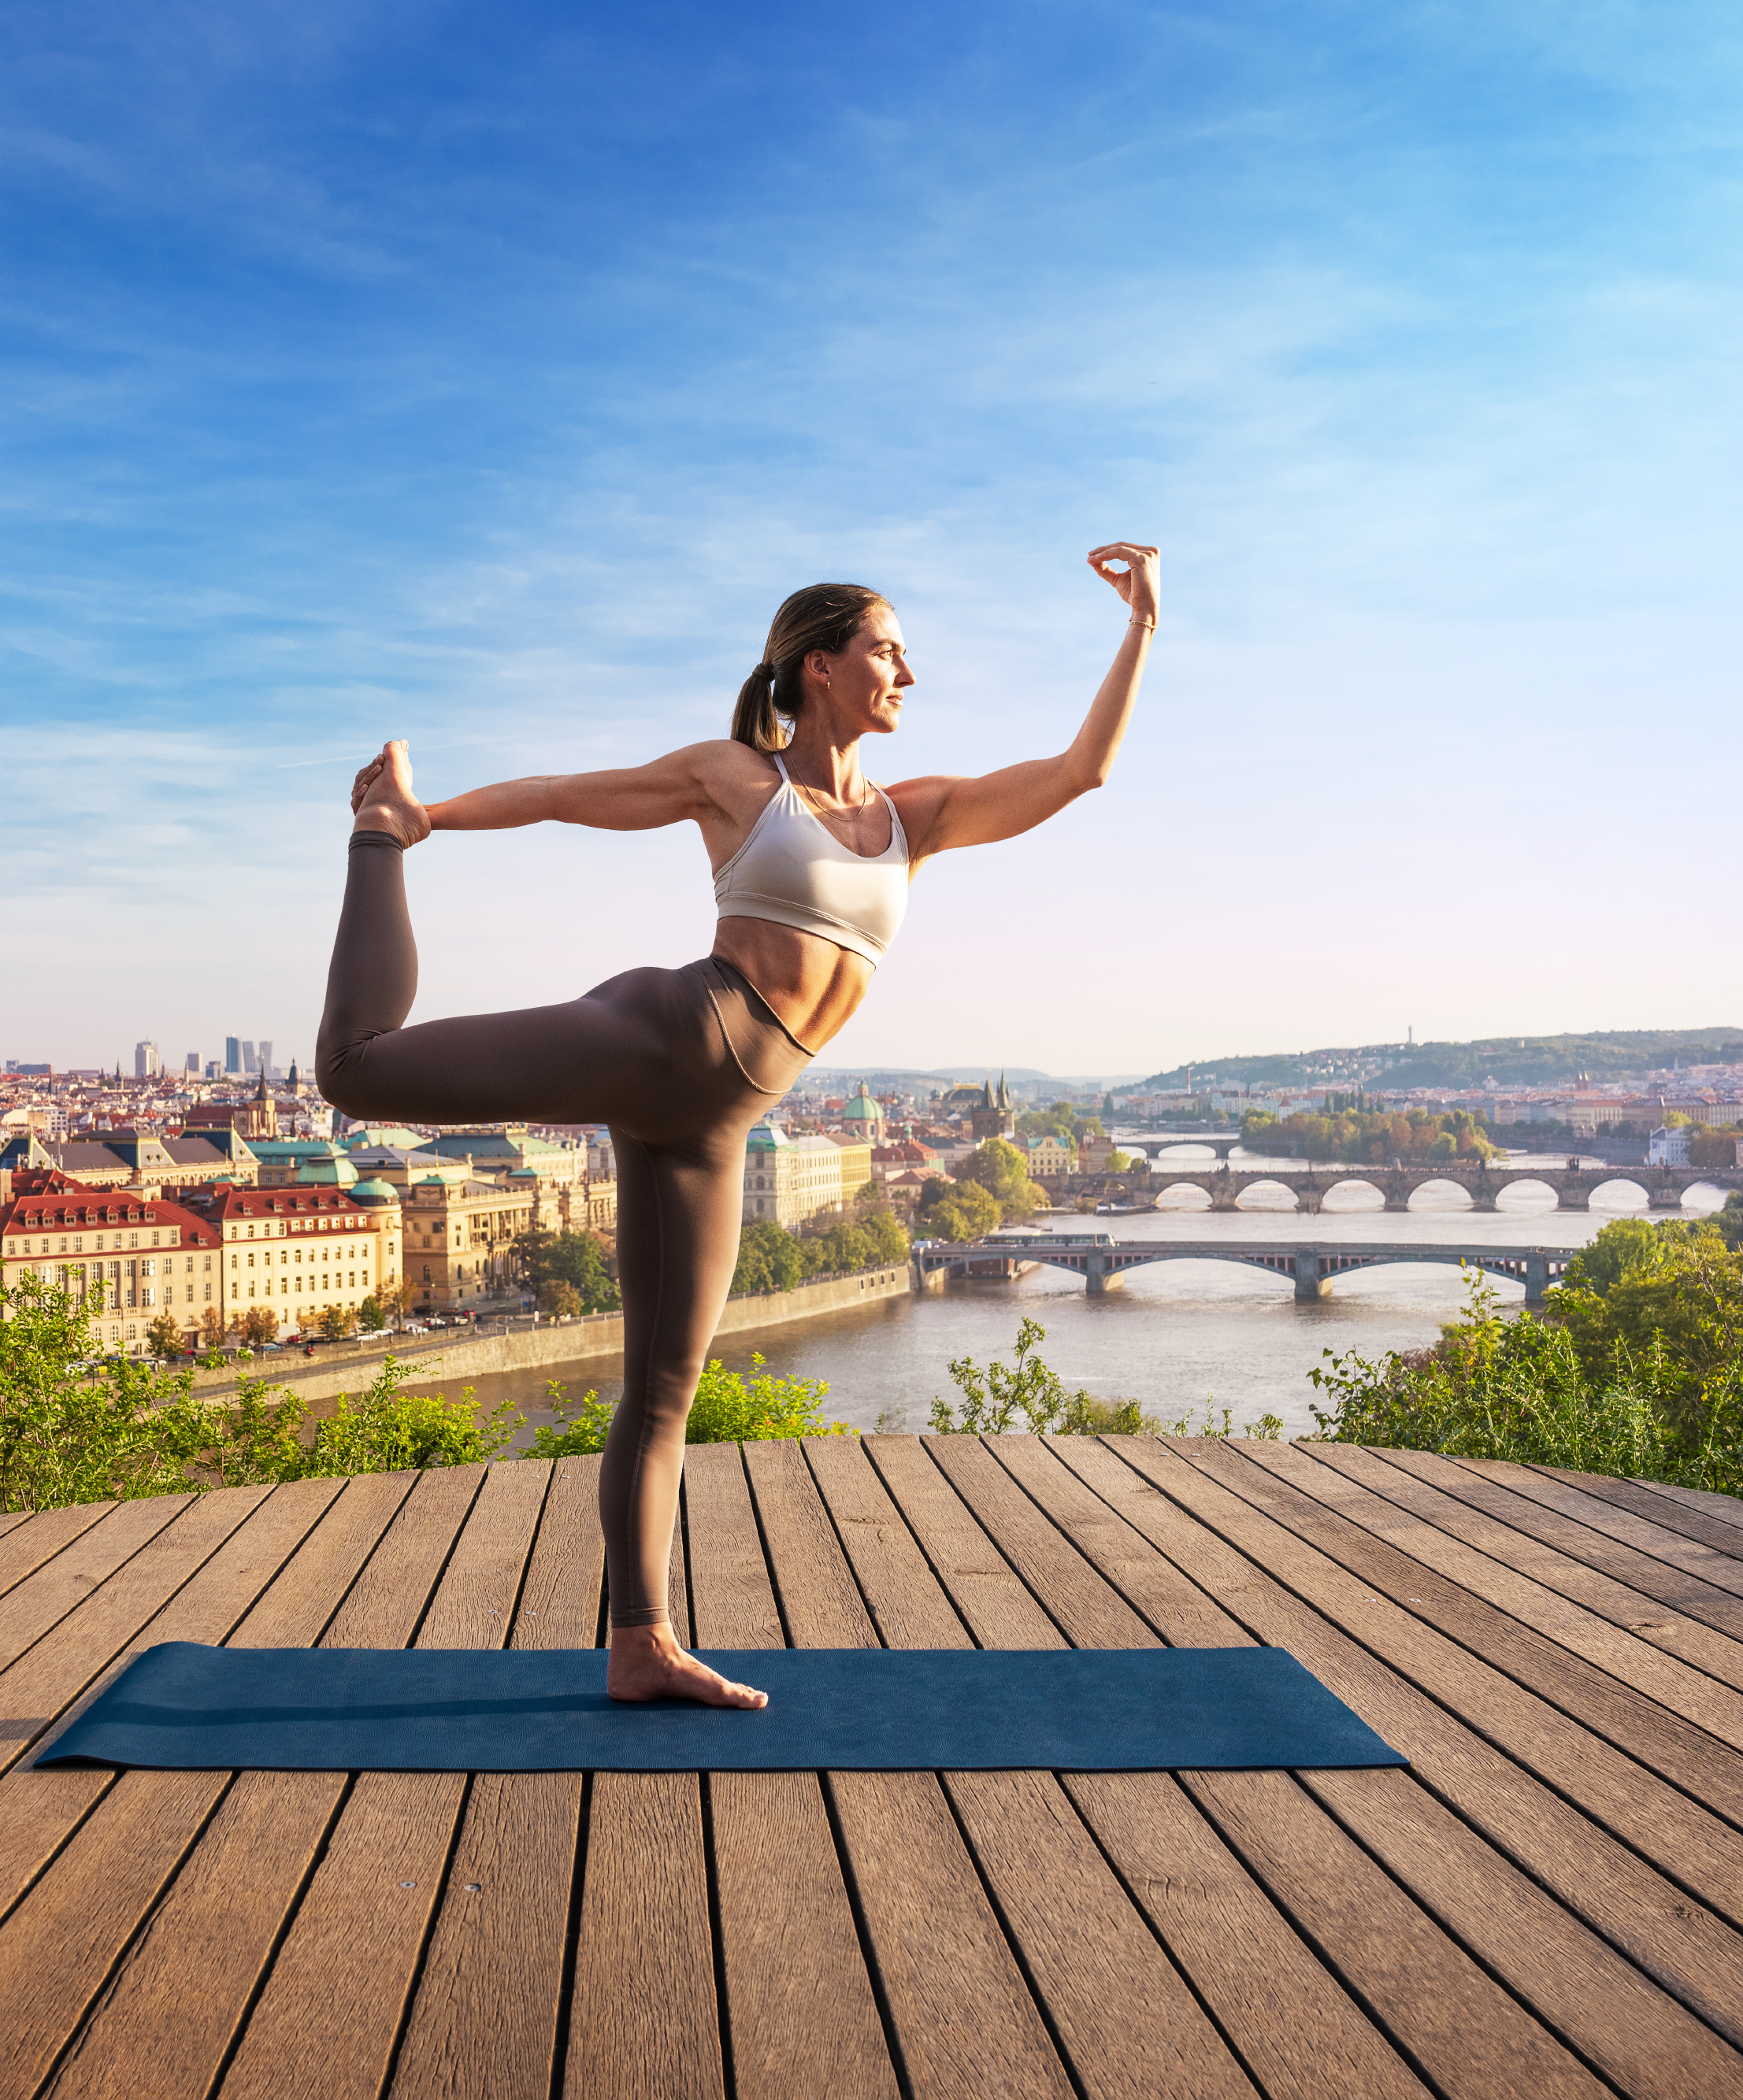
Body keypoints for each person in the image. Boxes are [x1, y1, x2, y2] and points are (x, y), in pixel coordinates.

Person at [318, 543, 1161, 1706]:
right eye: (887, 648)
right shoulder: (738, 780)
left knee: (664, 1391)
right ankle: (375, 830)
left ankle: (639, 1643)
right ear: (819, 667)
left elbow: (1081, 773)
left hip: (719, 1126)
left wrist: (1140, 632)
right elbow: (574, 795)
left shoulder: (916, 818)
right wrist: (429, 819)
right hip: (670, 1035)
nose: (907, 670)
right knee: (358, 1074)